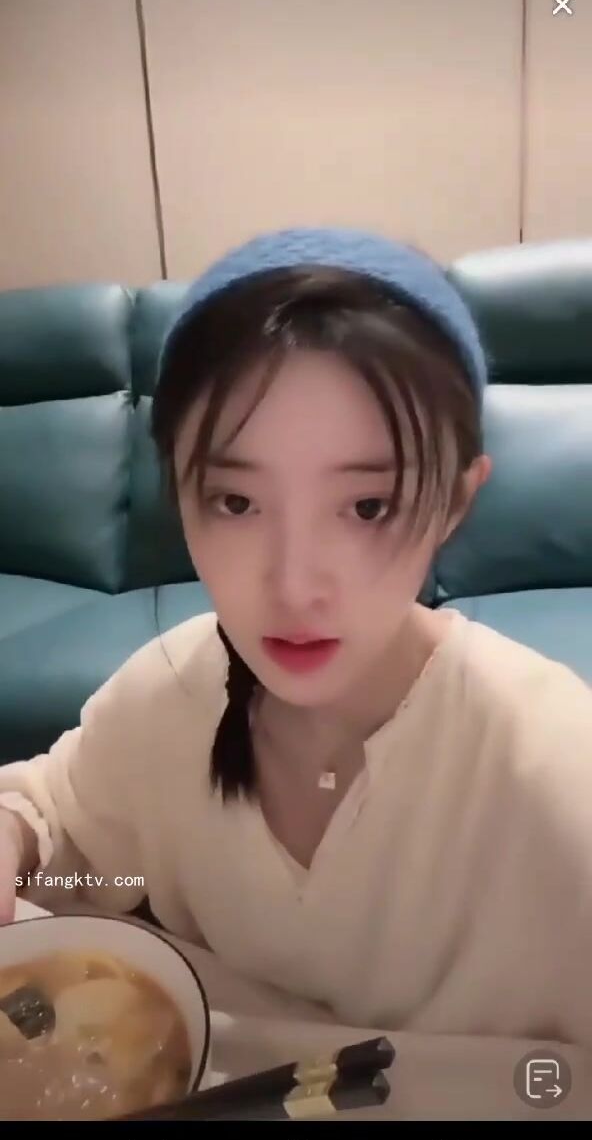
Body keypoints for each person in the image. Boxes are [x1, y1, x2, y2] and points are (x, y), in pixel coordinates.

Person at [0, 226, 591, 1048]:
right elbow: (56, 813)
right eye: (236, 503)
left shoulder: (555, 769)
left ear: (456, 502)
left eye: (368, 507)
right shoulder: (173, 691)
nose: (293, 586)